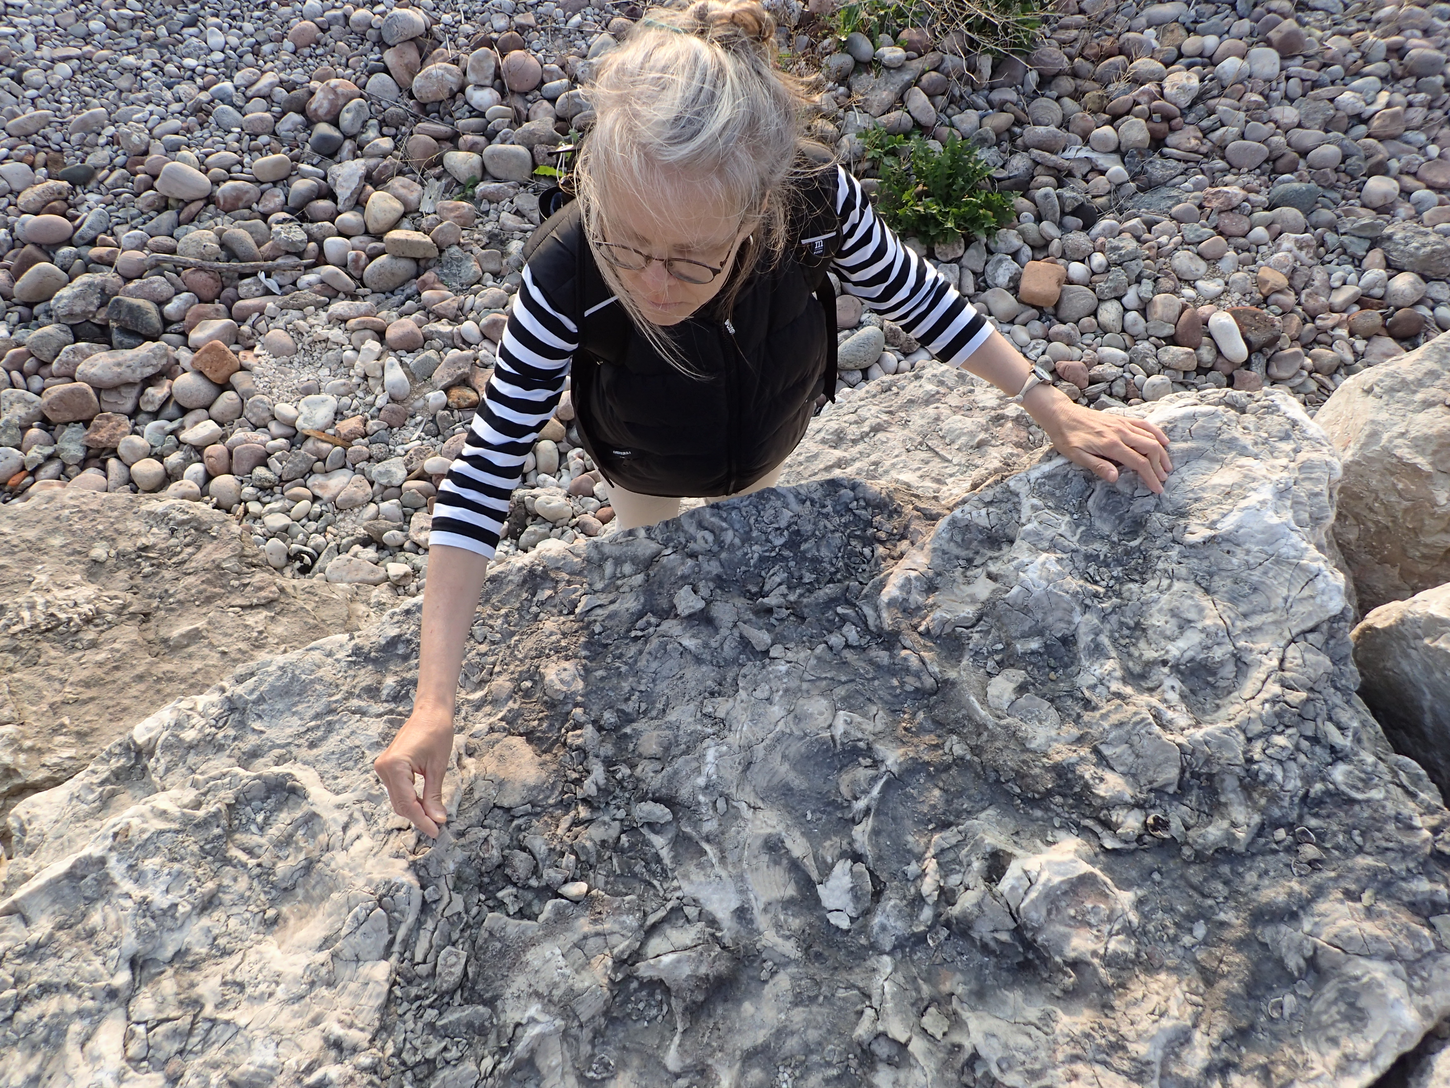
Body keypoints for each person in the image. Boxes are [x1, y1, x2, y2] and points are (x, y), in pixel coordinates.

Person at [374, 0, 1173, 837]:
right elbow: (488, 465)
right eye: (627, 244)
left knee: (752, 520)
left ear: (760, 214)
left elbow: (916, 297)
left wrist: (1051, 405)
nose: (653, 286)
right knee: (649, 549)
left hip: (769, 435)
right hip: (640, 459)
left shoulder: (813, 201)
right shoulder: (566, 271)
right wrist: (434, 703)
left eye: (693, 259)